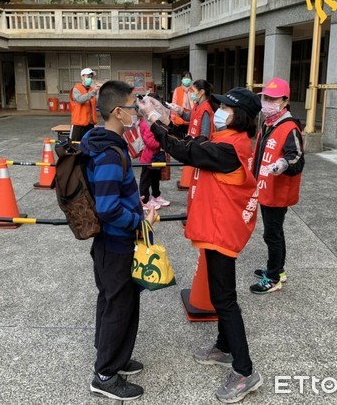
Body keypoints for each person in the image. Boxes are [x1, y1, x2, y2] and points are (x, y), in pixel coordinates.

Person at [138, 87, 264, 404]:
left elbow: (186, 151)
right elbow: (193, 142)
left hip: (222, 232)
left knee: (225, 299)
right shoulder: (227, 142)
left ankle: (246, 371)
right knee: (221, 294)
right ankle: (223, 347)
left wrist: (154, 121)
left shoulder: (230, 151)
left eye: (226, 109)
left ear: (241, 117)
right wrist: (169, 118)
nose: (219, 111)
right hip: (216, 227)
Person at [79, 80, 158, 401]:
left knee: (115, 301)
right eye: (132, 105)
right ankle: (105, 374)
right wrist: (140, 221)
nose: (137, 111)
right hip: (116, 243)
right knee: (119, 306)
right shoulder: (110, 153)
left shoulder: (104, 143)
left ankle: (115, 356)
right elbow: (108, 207)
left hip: (111, 243)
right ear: (117, 111)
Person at [249, 77, 304, 294]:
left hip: (277, 190)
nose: (268, 102)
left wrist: (283, 163)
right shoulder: (268, 123)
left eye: (273, 98)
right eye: (265, 98)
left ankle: (274, 277)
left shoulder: (289, 127)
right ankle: (277, 269)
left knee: (272, 233)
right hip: (265, 187)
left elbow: (296, 157)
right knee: (273, 232)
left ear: (284, 101)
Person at [138, 93, 171, 211]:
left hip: (155, 156)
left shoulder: (153, 120)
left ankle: (156, 196)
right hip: (148, 158)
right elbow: (150, 143)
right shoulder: (147, 122)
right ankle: (144, 201)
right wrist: (163, 142)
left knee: (155, 178)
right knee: (146, 180)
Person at [70, 67, 99, 142]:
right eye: (88, 76)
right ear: (82, 77)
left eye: (91, 77)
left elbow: (96, 103)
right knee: (76, 144)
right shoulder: (76, 88)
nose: (90, 79)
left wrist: (98, 92)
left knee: (89, 143)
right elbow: (79, 100)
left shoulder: (92, 89)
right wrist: (93, 93)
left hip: (90, 122)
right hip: (79, 123)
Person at [170, 71, 193, 136]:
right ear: (182, 79)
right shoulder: (177, 90)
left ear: (191, 80)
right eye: (185, 77)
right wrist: (173, 119)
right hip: (179, 121)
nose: (186, 79)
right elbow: (173, 105)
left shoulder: (194, 91)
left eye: (188, 77)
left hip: (191, 121)